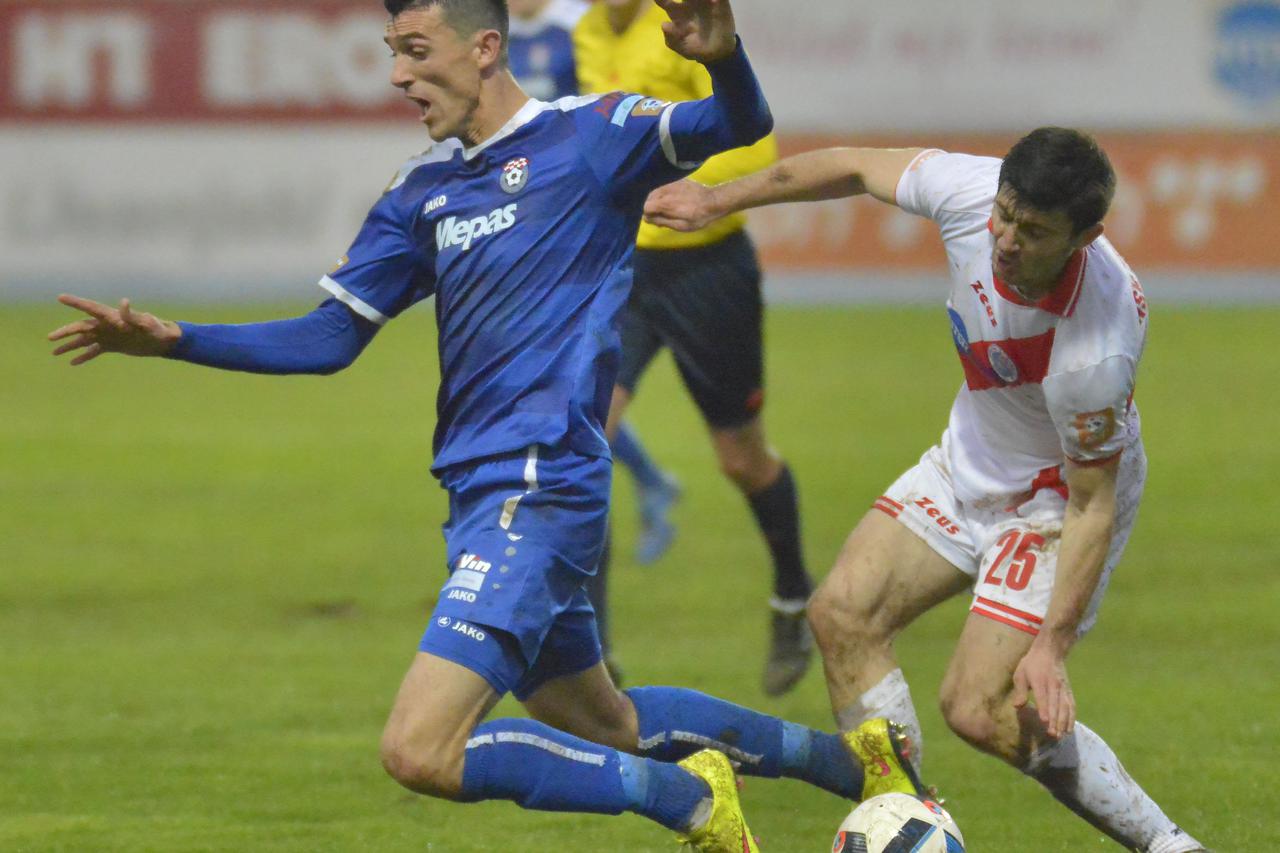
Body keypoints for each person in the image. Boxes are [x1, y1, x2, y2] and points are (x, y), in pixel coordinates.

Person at [47, 2, 927, 850]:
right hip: (481, 497)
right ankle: (866, 771)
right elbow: (327, 339)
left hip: (539, 488)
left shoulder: (592, 137)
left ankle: (691, 801)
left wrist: (723, 54)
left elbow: (737, 123)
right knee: (607, 718)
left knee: (419, 750)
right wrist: (175, 340)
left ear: (484, 49)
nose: (398, 75)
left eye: (416, 50)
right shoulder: (422, 193)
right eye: (392, 52)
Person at [644, 129, 1209, 852]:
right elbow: (849, 165)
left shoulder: (1096, 347)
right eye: (1006, 213)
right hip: (967, 461)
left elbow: (1093, 501)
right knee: (842, 614)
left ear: (1086, 235)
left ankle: (1167, 843)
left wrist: (1052, 646)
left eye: (1033, 231)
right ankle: (908, 819)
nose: (1004, 238)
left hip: (1051, 500)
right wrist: (715, 198)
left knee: (978, 707)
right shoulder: (971, 193)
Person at [575, 0, 814, 698]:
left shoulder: (681, 20)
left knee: (741, 458)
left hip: (707, 269)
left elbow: (754, 141)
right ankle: (593, 653)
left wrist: (691, 188)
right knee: (586, 439)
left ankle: (794, 596)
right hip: (626, 268)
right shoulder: (589, 28)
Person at [506, 0, 682, 684]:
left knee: (574, 406)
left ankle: (586, 633)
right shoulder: (494, 40)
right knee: (571, 405)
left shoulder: (569, 32)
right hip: (522, 235)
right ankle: (649, 485)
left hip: (571, 236)